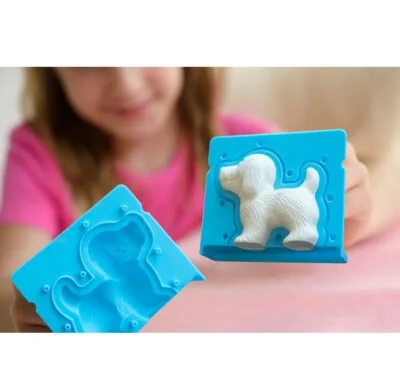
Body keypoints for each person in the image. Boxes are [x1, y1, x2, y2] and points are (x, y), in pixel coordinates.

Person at [0, 67, 374, 332]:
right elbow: (7, 282)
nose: (126, 84)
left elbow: (316, 227)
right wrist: (26, 306)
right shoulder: (38, 155)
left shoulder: (243, 141)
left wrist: (346, 211)